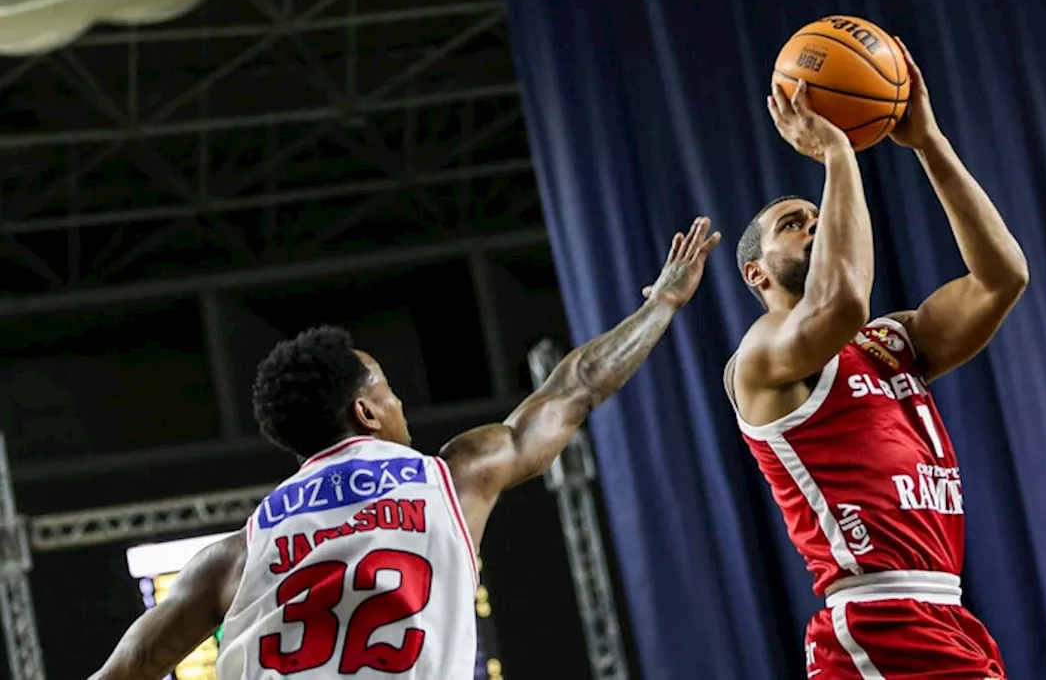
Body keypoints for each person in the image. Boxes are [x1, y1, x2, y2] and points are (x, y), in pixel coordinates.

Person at [89, 217, 721, 680]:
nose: (400, 406)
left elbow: (126, 669)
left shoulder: (233, 554)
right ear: (364, 412)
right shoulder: (451, 478)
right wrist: (663, 303)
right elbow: (575, 387)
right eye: (388, 392)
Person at [724, 39, 1028, 679]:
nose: (813, 223)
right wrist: (837, 154)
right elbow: (842, 303)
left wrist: (929, 143)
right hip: (878, 616)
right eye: (793, 223)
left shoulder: (891, 345)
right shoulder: (762, 356)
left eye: (815, 216)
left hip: (944, 612)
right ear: (756, 272)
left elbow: (1002, 277)